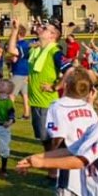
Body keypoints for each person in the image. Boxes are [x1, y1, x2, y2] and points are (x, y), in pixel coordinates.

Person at [45, 68, 98, 196]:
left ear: (66, 86)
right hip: (89, 164)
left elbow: (57, 137)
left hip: (70, 165)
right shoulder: (89, 108)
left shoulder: (57, 106)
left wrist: (49, 159)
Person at [11, 18, 62, 181]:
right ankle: (52, 168)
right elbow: (12, 49)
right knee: (44, 138)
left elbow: (69, 71)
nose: (41, 28)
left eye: (46, 28)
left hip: (48, 103)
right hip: (36, 102)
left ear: (53, 35)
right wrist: (14, 30)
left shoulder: (55, 51)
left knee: (53, 138)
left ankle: (54, 171)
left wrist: (55, 87)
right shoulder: (35, 50)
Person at [6, 24, 31, 120]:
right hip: (26, 71)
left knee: (11, 94)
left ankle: (10, 115)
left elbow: (14, 59)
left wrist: (8, 57)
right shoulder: (27, 44)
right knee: (24, 94)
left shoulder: (18, 45)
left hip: (18, 71)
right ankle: (26, 114)